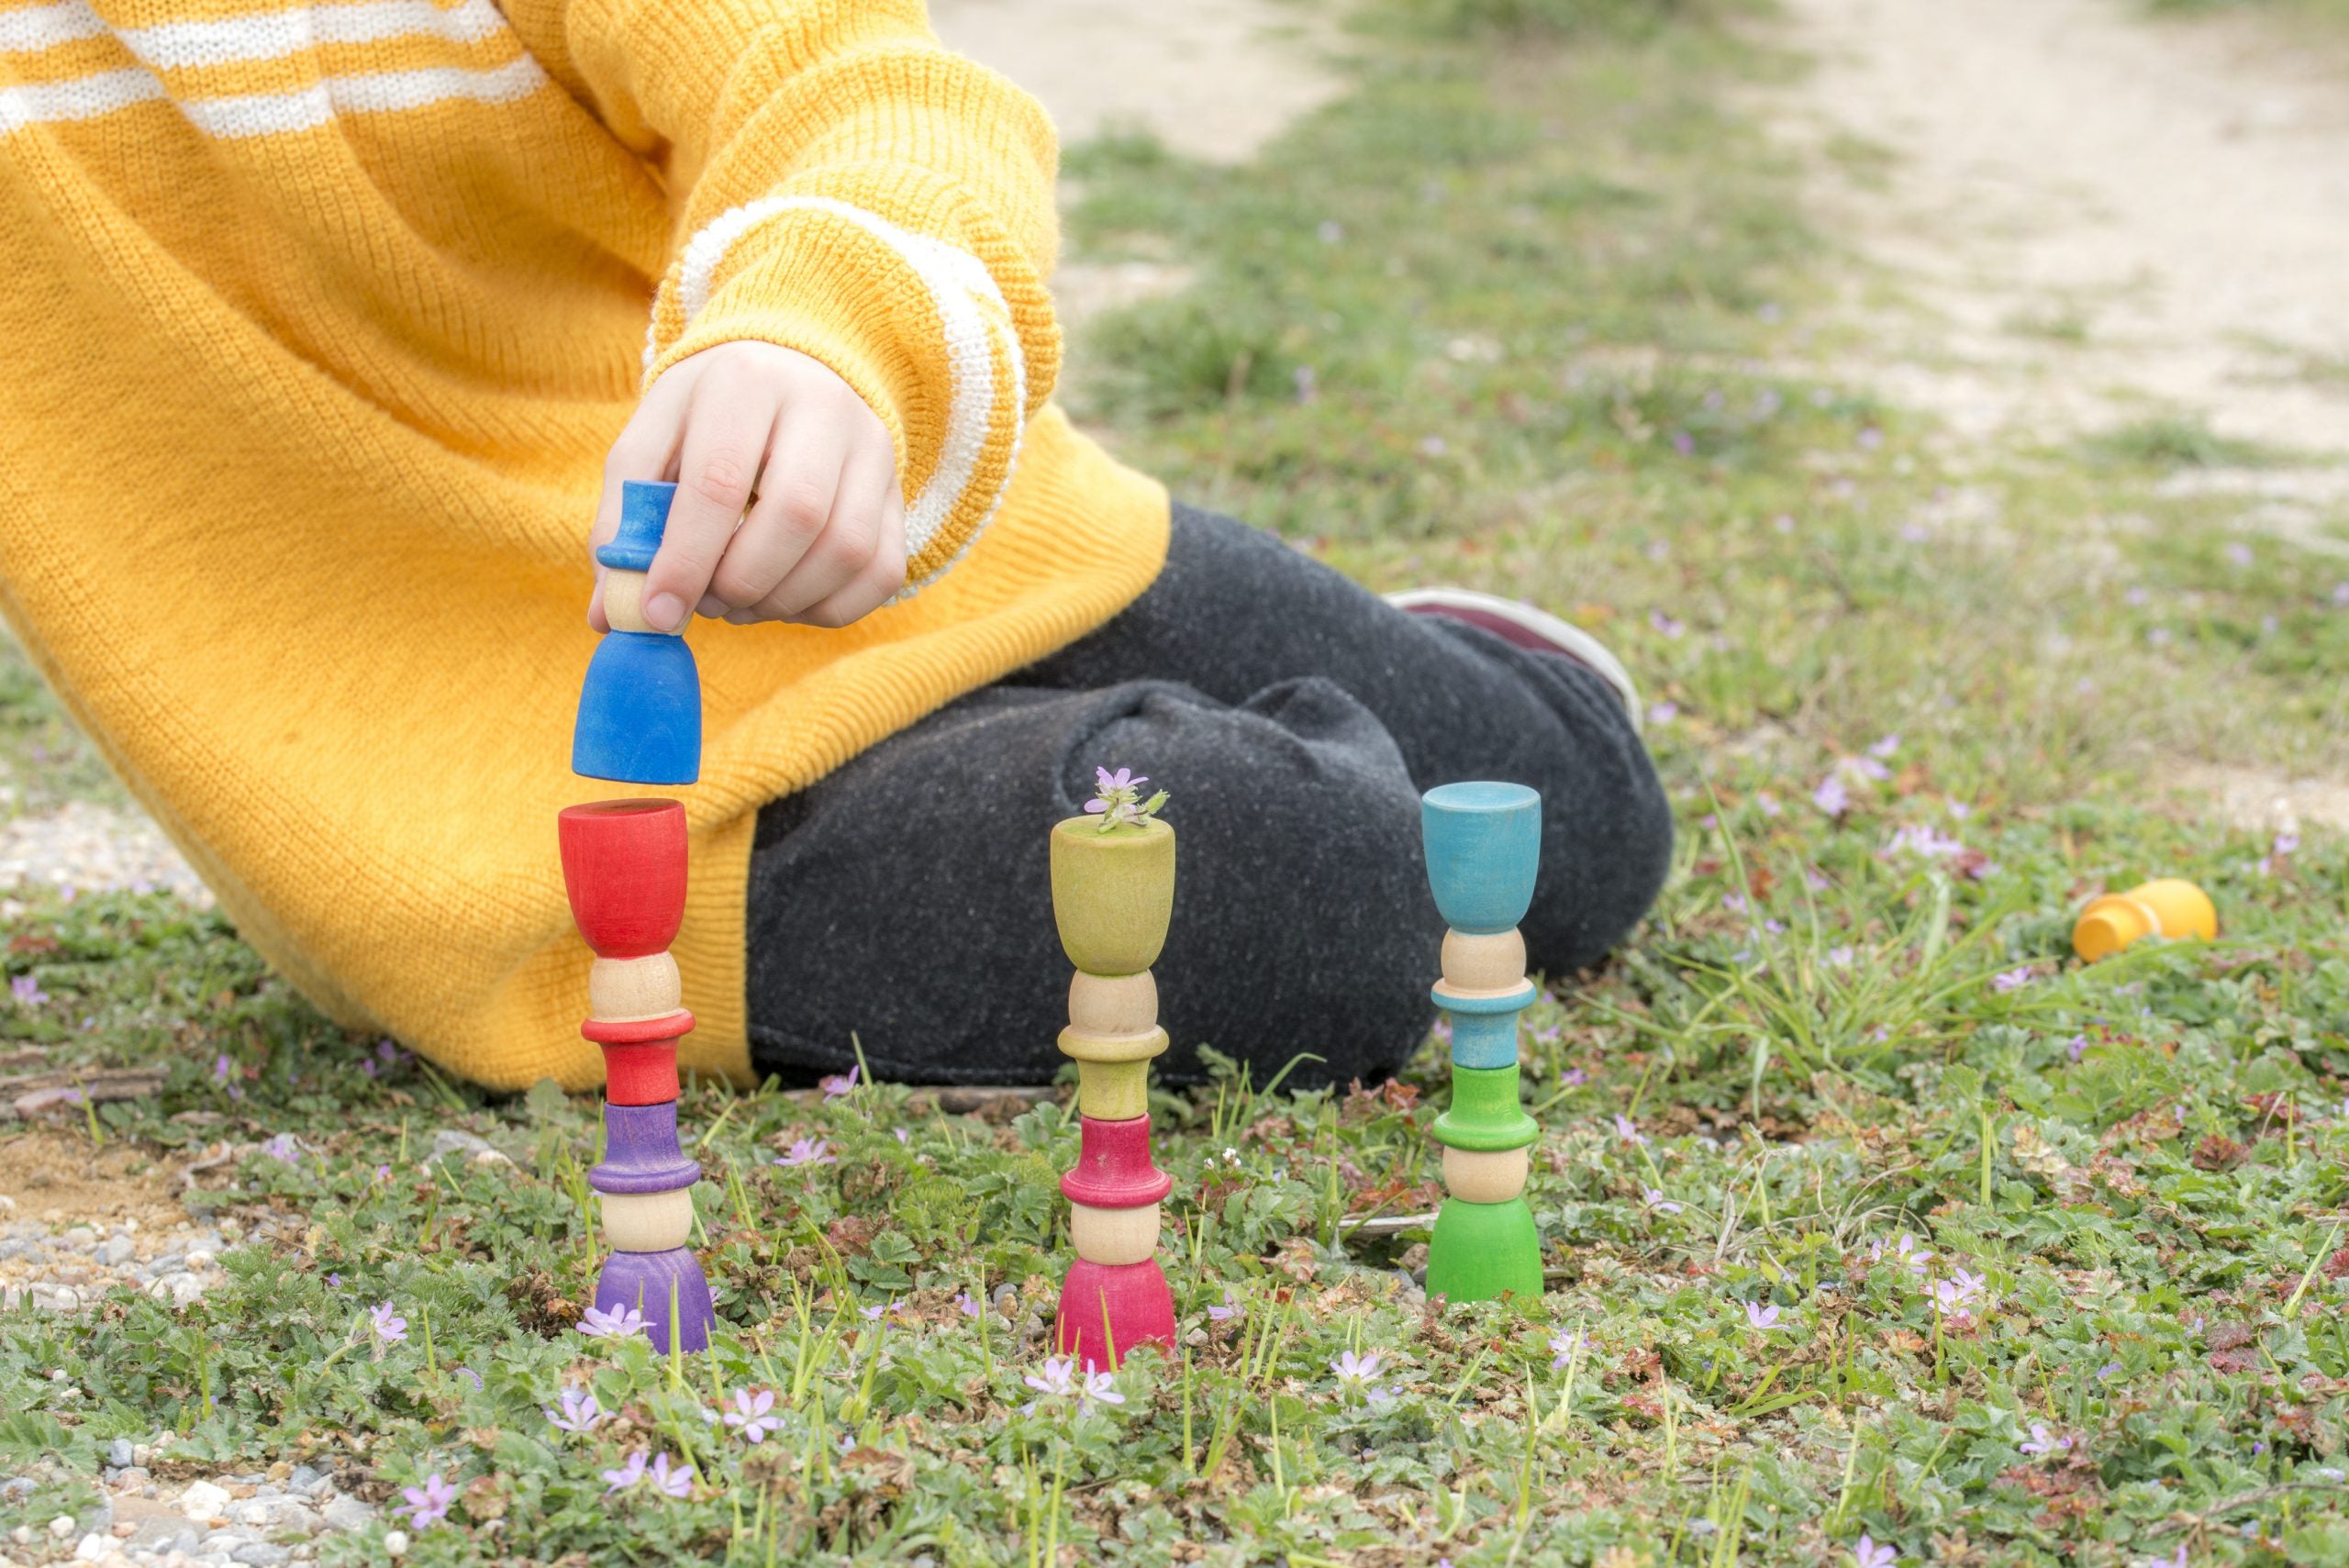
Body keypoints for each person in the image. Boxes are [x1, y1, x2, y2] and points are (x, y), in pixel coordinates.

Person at [0, 0, 1669, 1093]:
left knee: (1578, 822)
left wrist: (816, 331)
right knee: (1311, 886)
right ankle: (1216, 745)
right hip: (597, 836)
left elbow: (861, 83)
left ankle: (1368, 677)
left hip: (958, 555)